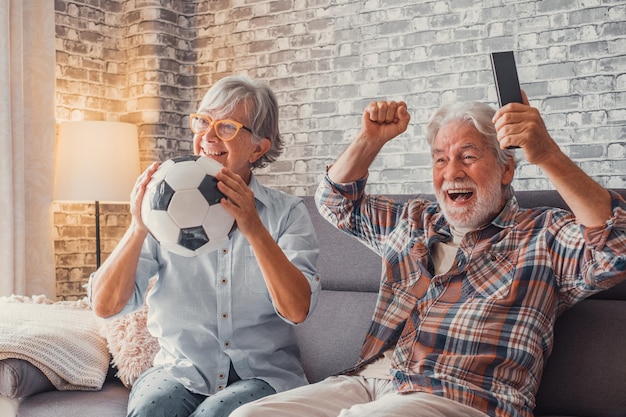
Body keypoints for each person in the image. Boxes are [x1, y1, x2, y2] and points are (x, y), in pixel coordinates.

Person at [229, 92, 626, 417]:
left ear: (506, 170)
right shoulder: (415, 220)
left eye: (468, 157)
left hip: (465, 397)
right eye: (440, 158)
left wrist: (546, 154)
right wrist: (370, 138)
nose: (451, 172)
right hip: (371, 385)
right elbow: (334, 201)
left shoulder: (545, 234)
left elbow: (616, 246)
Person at [88, 75, 321, 417]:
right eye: (203, 122)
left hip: (263, 376)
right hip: (178, 372)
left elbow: (297, 310)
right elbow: (105, 307)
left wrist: (253, 228)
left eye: (226, 127)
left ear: (259, 147)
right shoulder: (163, 207)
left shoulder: (287, 214)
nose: (208, 136)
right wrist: (139, 226)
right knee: (152, 410)